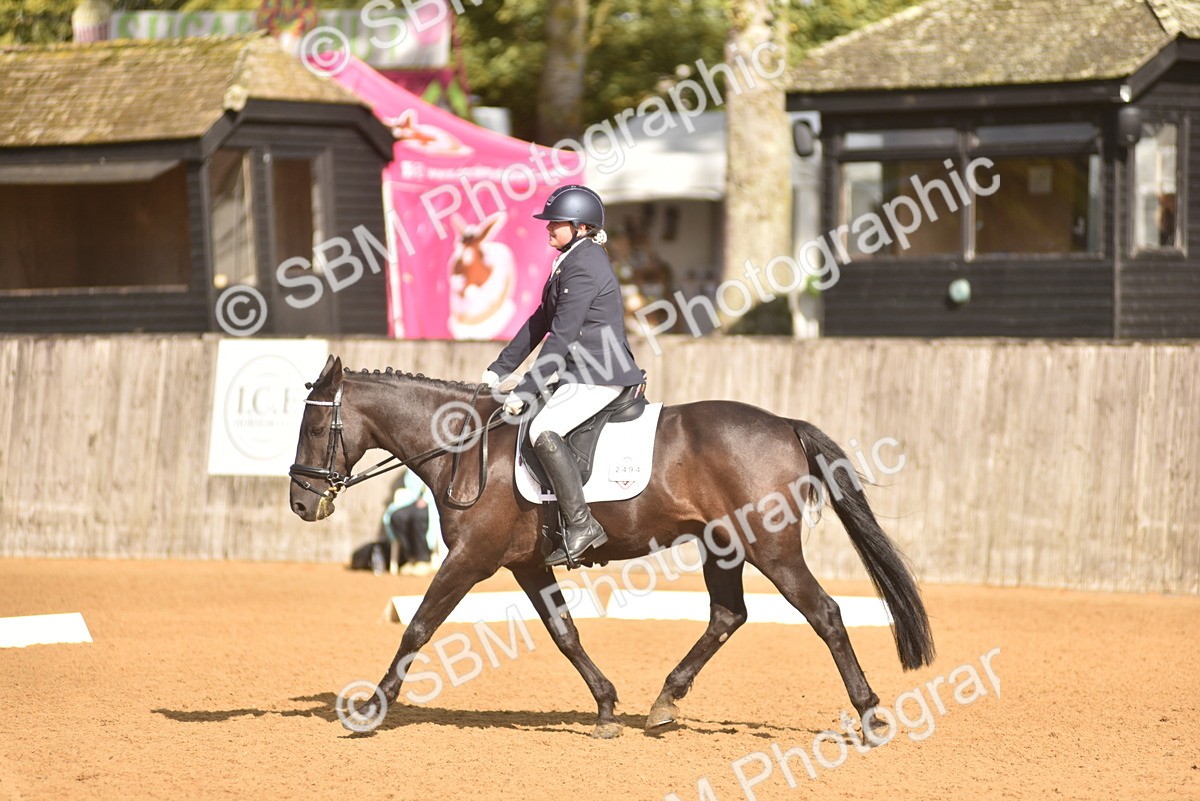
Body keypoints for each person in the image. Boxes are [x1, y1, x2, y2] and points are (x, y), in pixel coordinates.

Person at [481, 185, 645, 567]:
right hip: (579, 372)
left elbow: (564, 334)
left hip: (598, 374)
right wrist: (500, 368)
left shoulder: (586, 263)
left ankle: (582, 524)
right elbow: (541, 320)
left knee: (542, 429)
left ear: (582, 227)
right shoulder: (571, 258)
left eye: (557, 223)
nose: (548, 228)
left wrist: (527, 386)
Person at [381, 467, 438, 576]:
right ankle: (411, 557)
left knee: (418, 516)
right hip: (414, 500)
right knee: (397, 517)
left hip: (431, 503)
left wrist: (426, 499)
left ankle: (423, 559)